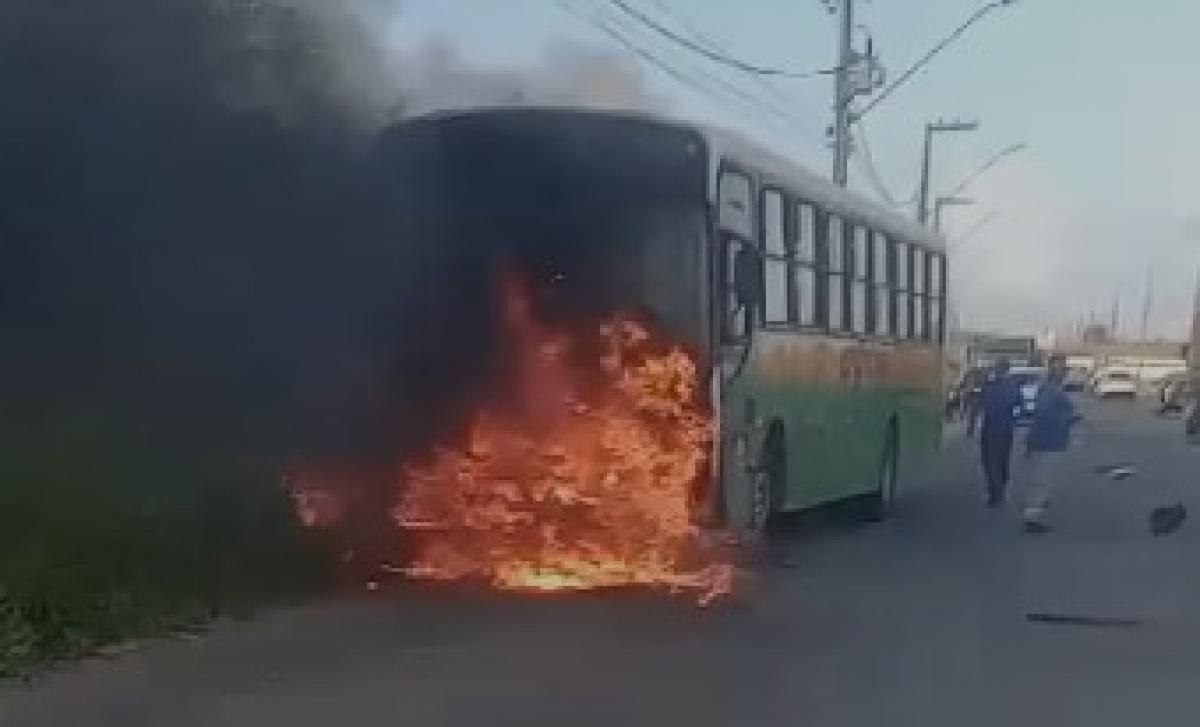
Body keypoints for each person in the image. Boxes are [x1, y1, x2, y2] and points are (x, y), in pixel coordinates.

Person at [1020, 354, 1079, 533]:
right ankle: (1032, 518)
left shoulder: (1051, 389)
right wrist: (1071, 417)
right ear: (1052, 369)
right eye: (1061, 368)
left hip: (1050, 442)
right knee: (1040, 482)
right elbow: (1045, 417)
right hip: (1047, 442)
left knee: (1041, 482)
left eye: (1064, 368)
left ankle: (1034, 511)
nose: (1064, 372)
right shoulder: (1050, 391)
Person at [978, 357, 1023, 507]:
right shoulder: (1011, 385)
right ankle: (999, 489)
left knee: (992, 462)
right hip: (1002, 429)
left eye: (996, 367)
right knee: (1001, 460)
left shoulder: (992, 385)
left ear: (1000, 369)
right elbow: (1018, 406)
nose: (995, 370)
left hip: (993, 428)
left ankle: (996, 493)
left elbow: (982, 404)